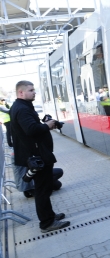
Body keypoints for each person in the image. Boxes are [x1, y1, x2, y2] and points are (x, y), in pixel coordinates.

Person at [10, 81, 70, 232]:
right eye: (30, 90)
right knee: (42, 190)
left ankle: (49, 215)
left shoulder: (22, 107)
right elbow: (31, 130)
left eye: (34, 90)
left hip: (37, 153)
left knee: (45, 187)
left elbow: (29, 128)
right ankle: (47, 223)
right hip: (37, 156)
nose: (34, 92)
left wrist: (44, 123)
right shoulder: (22, 109)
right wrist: (47, 125)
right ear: (21, 93)